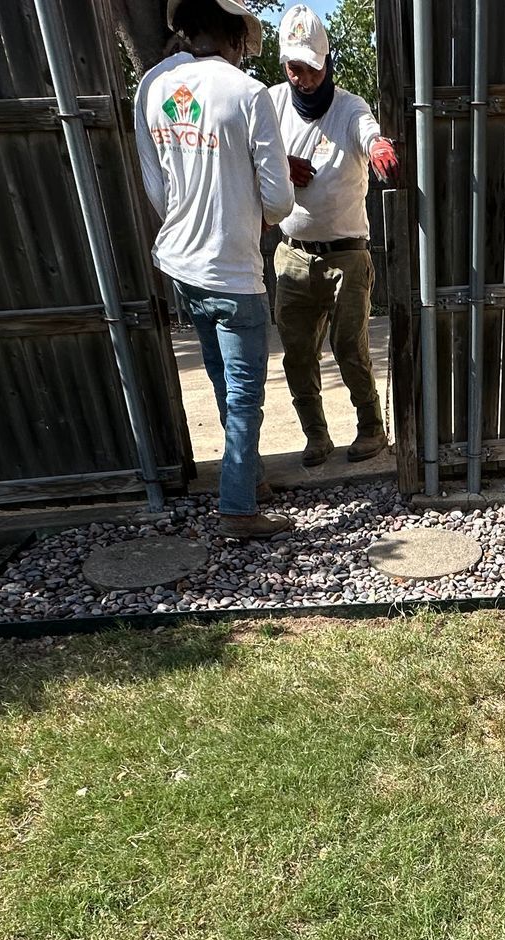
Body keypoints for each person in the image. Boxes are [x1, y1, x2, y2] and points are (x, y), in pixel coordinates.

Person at [134, 0, 296, 538]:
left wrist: (188, 223)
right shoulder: (248, 93)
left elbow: (156, 186)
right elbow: (278, 197)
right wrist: (252, 218)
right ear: (234, 34)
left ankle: (249, 478)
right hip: (232, 266)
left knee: (221, 379)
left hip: (180, 261)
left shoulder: (153, 85)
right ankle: (238, 510)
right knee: (246, 391)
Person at [268, 5, 398, 467]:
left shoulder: (349, 107)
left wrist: (378, 146)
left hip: (347, 255)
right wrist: (280, 167)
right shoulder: (271, 105)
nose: (302, 78)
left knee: (349, 346)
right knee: (298, 355)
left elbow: (366, 131)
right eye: (294, 68)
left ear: (327, 63)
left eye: (311, 68)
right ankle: (316, 436)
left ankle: (370, 429)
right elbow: (247, 158)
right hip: (293, 256)